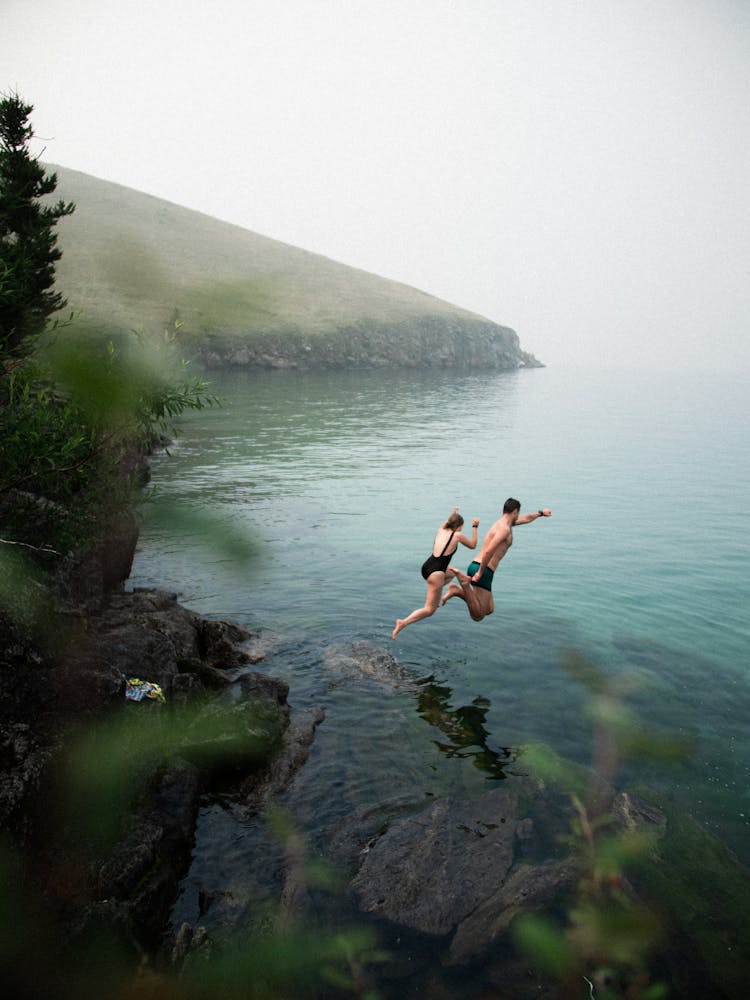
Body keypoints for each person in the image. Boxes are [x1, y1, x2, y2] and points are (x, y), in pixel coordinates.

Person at [441, 498, 551, 621]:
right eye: (518, 513)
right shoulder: (504, 529)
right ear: (515, 511)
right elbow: (489, 551)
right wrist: (481, 572)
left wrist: (540, 513)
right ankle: (464, 585)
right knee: (478, 616)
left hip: (480, 566)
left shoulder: (503, 523)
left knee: (489, 609)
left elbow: (526, 518)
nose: (519, 515)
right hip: (483, 569)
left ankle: (456, 591)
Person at [392, 508, 479, 638]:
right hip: (436, 573)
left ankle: (437, 596)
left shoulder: (442, 529)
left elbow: (448, 521)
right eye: (462, 527)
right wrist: (475, 527)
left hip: (427, 566)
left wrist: (455, 512)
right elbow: (473, 545)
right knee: (429, 610)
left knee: (453, 572)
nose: (461, 529)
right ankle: (403, 622)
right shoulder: (457, 535)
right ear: (458, 526)